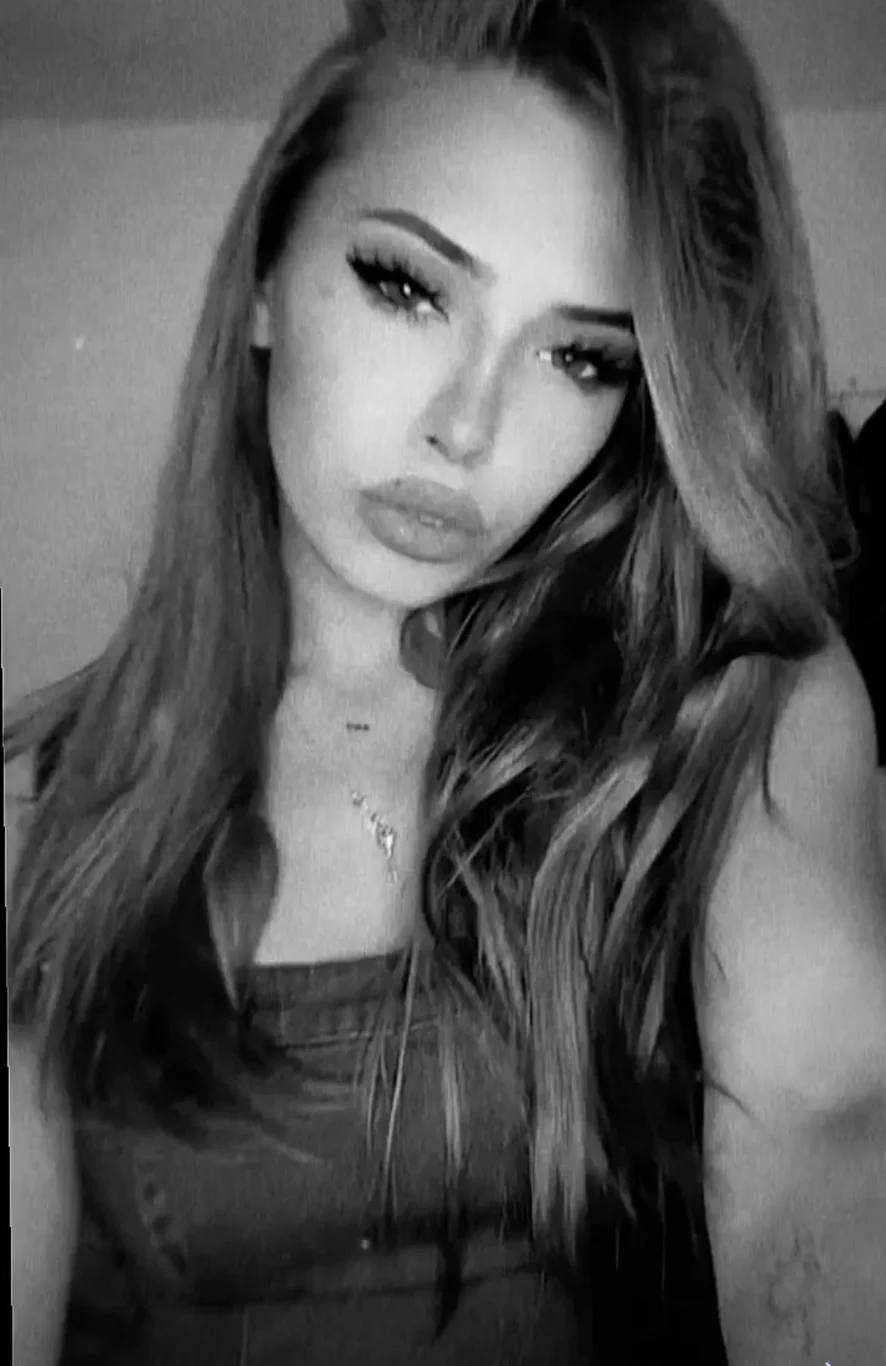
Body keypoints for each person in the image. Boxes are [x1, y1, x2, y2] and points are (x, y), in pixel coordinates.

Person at [8, 1, 886, 1363]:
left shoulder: (732, 714)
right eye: (408, 287)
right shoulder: (36, 815)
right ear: (264, 275)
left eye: (579, 356)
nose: (468, 426)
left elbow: (824, 1153)